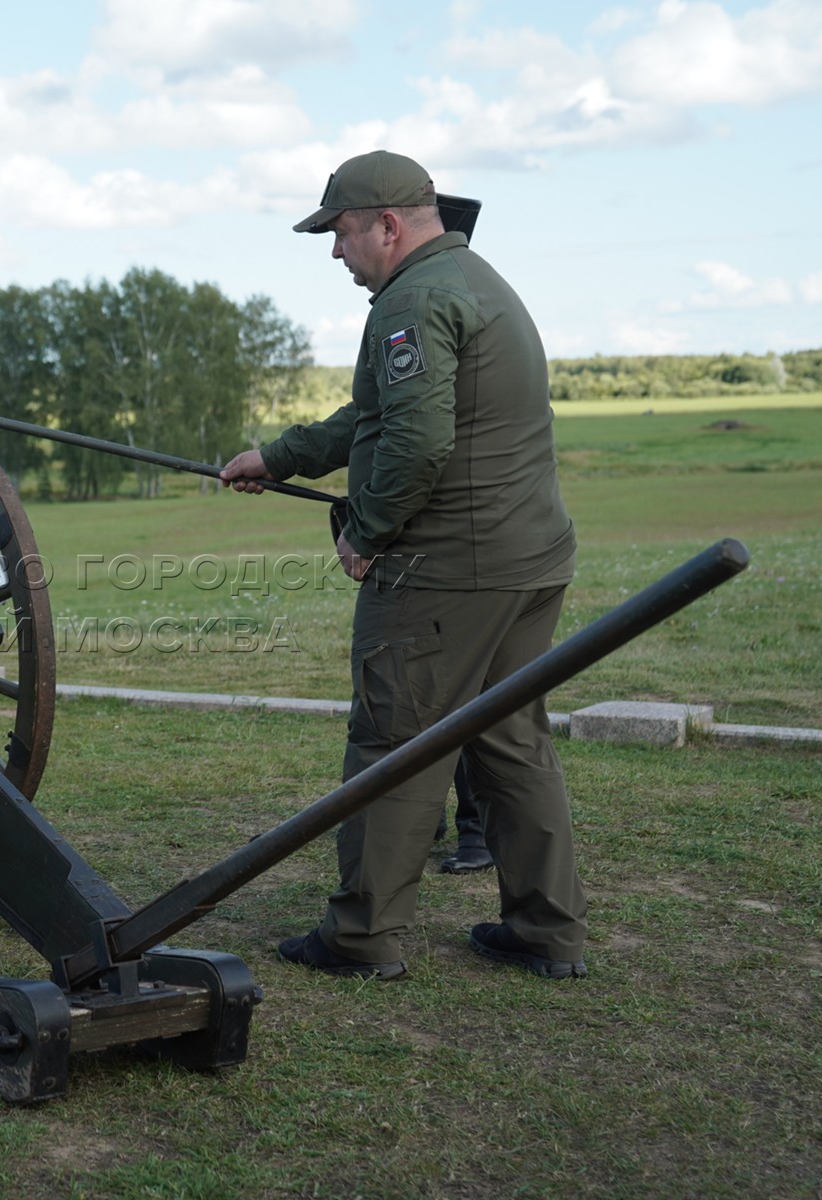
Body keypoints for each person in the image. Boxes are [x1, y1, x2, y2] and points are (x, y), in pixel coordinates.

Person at [220, 150, 587, 981]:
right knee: (509, 742)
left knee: (394, 742)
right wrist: (279, 458)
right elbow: (377, 411)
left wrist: (369, 531)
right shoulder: (471, 279)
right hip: (527, 558)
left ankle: (360, 937)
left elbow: (418, 440)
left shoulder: (412, 301)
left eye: (341, 232)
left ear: (387, 226)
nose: (335, 250)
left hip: (448, 569)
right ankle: (546, 930)